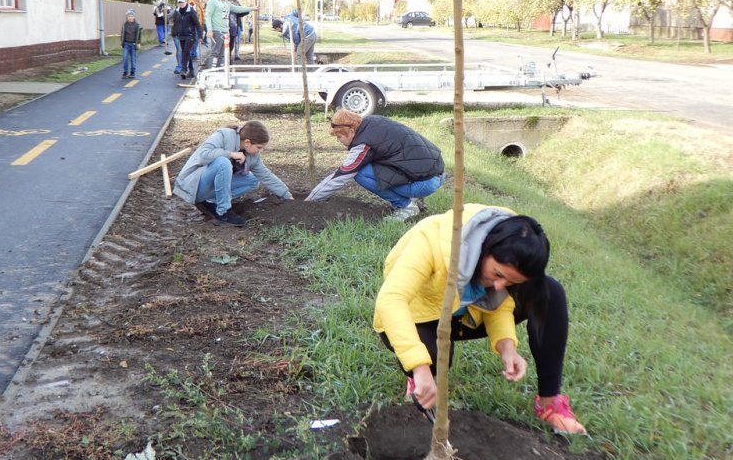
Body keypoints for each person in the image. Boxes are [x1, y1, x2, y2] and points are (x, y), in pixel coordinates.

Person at [373, 204, 586, 435]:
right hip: (420, 313)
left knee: (550, 293)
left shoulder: (511, 250)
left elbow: (498, 303)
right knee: (433, 358)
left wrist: (507, 346)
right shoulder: (432, 239)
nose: (500, 285)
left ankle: (549, 403)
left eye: (511, 282)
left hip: (464, 317)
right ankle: (419, 381)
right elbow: (391, 300)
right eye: (498, 274)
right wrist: (419, 367)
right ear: (486, 247)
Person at [306, 109, 445, 221]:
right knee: (376, 163)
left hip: (425, 183)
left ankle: (406, 207)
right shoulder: (373, 121)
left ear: (351, 131)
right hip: (437, 172)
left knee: (360, 173)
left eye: (339, 136)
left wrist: (311, 199)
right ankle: (416, 199)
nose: (338, 141)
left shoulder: (363, 144)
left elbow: (341, 175)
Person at [173, 120, 294, 227]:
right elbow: (203, 155)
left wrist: (286, 195)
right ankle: (223, 212)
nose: (261, 150)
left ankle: (211, 203)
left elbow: (266, 175)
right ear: (247, 142)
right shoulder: (223, 135)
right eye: (259, 147)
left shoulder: (253, 156)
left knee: (253, 180)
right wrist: (230, 154)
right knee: (223, 163)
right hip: (192, 186)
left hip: (207, 189)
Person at [205, 0, 255, 68]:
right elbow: (208, 16)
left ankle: (221, 71)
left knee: (223, 54)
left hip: (225, 32)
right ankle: (211, 71)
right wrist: (209, 30)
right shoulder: (213, 1)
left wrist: (251, 9)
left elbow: (237, 9)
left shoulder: (226, 3)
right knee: (215, 53)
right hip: (217, 31)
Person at [170, 0, 201, 79]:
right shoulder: (177, 11)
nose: (181, 4)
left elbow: (197, 24)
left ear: (186, 2)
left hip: (190, 35)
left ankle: (184, 69)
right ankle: (191, 70)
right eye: (179, 2)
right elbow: (176, 23)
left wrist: (200, 35)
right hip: (181, 35)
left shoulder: (191, 11)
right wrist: (174, 32)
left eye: (182, 2)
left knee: (186, 51)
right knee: (186, 52)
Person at [120, 8, 142, 79]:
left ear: (134, 17)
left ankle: (132, 72)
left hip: (133, 44)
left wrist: (139, 43)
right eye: (129, 16)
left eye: (132, 16)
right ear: (127, 17)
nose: (130, 17)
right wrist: (122, 43)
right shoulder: (124, 25)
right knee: (125, 58)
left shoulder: (137, 25)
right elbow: (122, 34)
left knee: (133, 59)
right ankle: (125, 72)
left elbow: (139, 35)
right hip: (126, 44)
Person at [188, 0, 207, 66]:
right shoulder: (192, 3)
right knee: (195, 40)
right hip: (194, 25)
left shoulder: (198, 4)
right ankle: (193, 54)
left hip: (199, 24)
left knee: (197, 40)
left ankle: (193, 54)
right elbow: (193, 14)